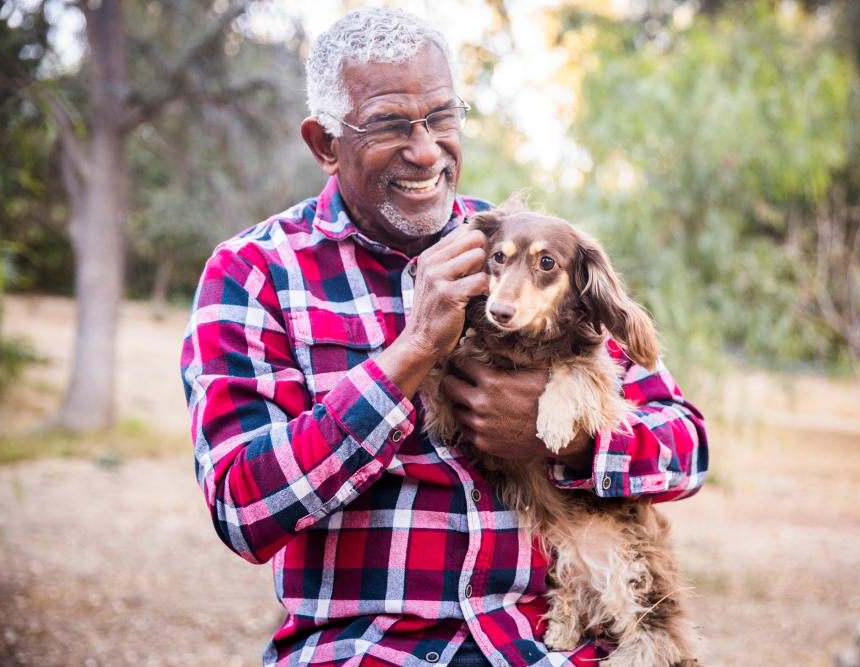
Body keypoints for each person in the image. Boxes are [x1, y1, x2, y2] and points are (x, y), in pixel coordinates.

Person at [180, 7, 708, 667]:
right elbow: (242, 507)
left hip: (550, 644)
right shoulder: (255, 273)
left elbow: (689, 446)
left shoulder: (525, 250)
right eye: (389, 125)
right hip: (368, 650)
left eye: (441, 117)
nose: (426, 149)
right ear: (324, 144)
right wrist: (411, 353)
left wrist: (574, 442)